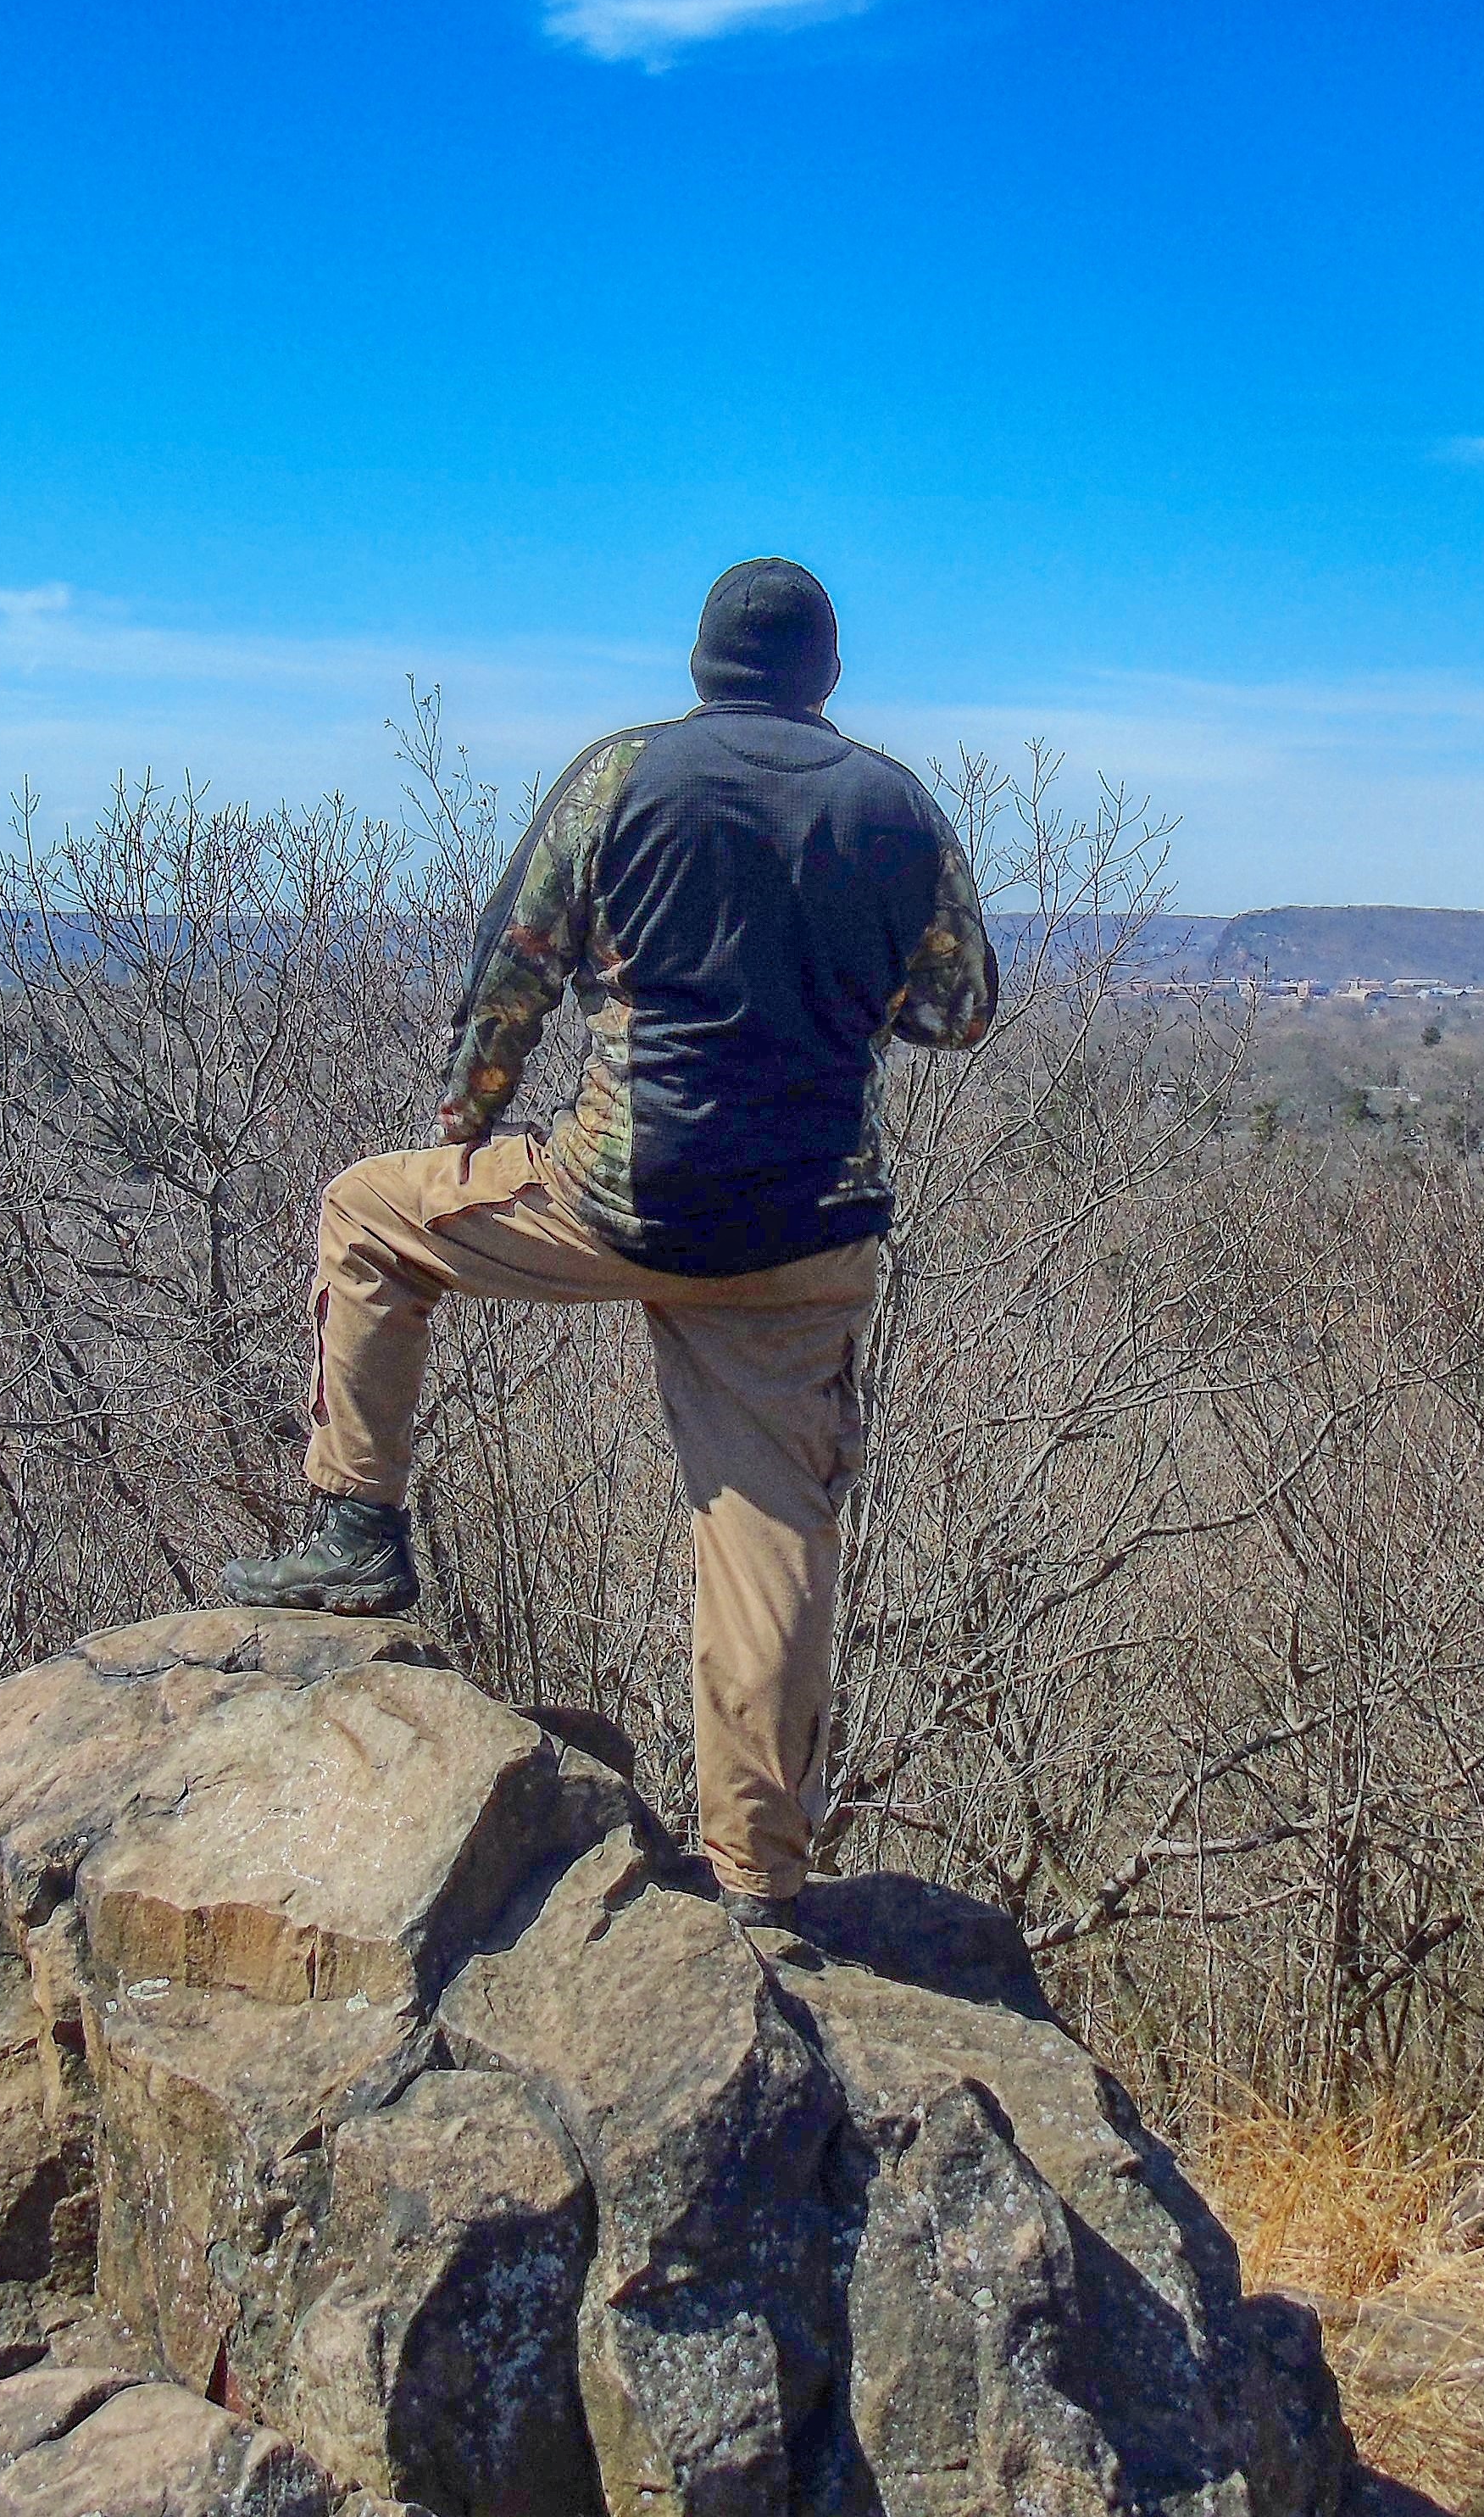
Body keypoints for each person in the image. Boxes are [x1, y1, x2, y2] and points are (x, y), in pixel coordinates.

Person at [221, 557, 998, 1931]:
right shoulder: (894, 805)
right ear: (824, 674)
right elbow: (961, 1009)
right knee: (770, 1540)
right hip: (803, 1230)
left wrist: (467, 1118)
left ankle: (356, 1530)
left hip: (612, 1194)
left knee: (368, 1213)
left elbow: (510, 969)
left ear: (703, 664)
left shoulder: (620, 777)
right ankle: (759, 1878)